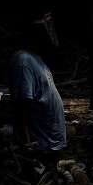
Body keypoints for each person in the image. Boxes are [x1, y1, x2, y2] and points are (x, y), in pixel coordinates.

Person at [10, 13, 67, 162]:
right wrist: (27, 144)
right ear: (37, 34)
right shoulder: (23, 60)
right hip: (40, 146)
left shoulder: (37, 59)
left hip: (51, 142)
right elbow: (20, 105)